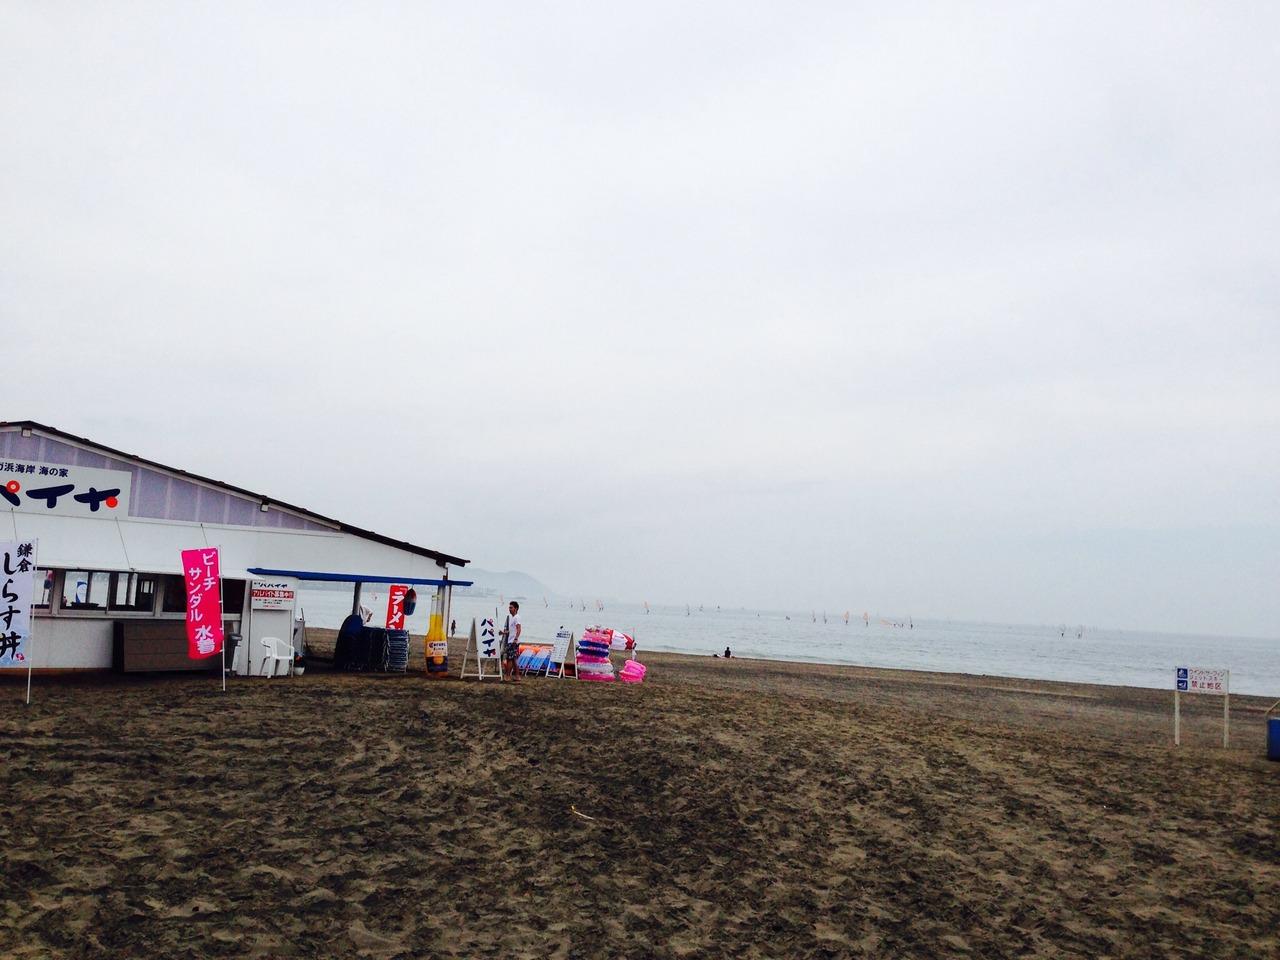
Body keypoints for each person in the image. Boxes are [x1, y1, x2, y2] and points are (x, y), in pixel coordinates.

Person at [501, 601, 522, 681]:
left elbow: (519, 629)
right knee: (513, 659)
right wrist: (503, 632)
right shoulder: (512, 618)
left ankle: (508, 676)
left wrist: (515, 639)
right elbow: (511, 631)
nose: (509, 609)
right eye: (509, 608)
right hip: (511, 640)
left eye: (511, 608)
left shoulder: (517, 617)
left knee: (510, 659)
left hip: (513, 642)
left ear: (516, 609)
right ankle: (517, 676)